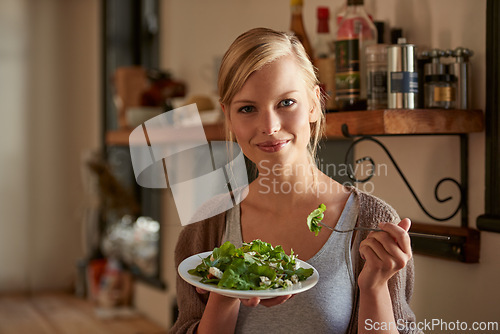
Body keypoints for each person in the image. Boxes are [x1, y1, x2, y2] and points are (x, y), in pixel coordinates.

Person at [169, 27, 421, 334]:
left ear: (314, 104)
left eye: (286, 103)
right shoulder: (205, 226)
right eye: (247, 109)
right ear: (229, 117)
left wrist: (375, 288)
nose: (270, 126)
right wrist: (223, 297)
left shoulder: (372, 222)